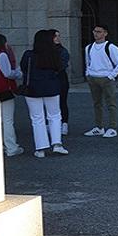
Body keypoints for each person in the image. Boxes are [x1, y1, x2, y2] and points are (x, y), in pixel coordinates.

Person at [20, 30, 70, 158]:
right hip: (51, 87)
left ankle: (40, 148)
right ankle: (57, 144)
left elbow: (24, 68)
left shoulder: (29, 55)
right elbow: (60, 68)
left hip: (33, 88)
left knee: (37, 118)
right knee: (54, 116)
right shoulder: (55, 54)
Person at [0, 33, 24, 157]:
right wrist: (18, 73)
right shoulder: (2, 55)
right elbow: (7, 73)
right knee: (8, 121)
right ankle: (11, 147)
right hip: (4, 91)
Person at [83, 25, 118, 138]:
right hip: (93, 77)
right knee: (97, 104)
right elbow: (88, 62)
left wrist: (111, 76)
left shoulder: (111, 47)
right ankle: (99, 127)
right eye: (95, 31)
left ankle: (112, 127)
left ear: (105, 33)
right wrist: (88, 73)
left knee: (111, 103)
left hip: (106, 78)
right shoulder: (89, 47)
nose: (96, 34)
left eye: (99, 32)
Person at [49, 30, 71, 136]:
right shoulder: (46, 51)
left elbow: (61, 66)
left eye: (58, 35)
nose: (57, 38)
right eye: (54, 36)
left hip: (60, 79)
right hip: (50, 79)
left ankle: (64, 124)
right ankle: (52, 123)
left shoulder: (63, 51)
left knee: (62, 101)